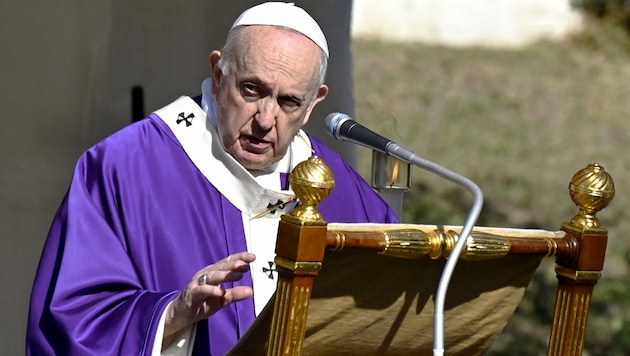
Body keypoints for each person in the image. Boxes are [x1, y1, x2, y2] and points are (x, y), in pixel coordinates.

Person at [26, 2, 397, 355]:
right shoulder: (124, 168)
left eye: (289, 102)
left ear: (314, 103)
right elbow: (72, 324)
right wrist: (173, 315)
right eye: (252, 90)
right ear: (219, 75)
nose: (266, 119)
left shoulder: (347, 196)